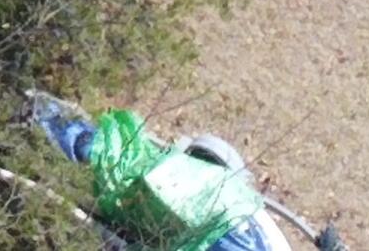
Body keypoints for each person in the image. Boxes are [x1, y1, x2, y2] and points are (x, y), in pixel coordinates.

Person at [27, 94, 316, 251]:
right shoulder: (249, 214)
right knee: (121, 170)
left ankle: (43, 116)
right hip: (217, 226)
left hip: (218, 223)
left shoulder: (234, 198)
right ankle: (42, 117)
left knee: (121, 165)